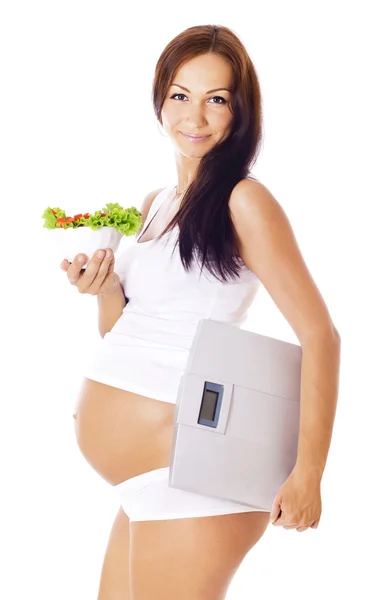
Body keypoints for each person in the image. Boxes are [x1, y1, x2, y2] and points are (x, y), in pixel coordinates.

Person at [61, 24, 340, 600]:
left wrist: (309, 471)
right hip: (146, 483)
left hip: (196, 475)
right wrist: (105, 288)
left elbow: (320, 334)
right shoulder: (154, 204)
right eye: (180, 96)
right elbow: (125, 331)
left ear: (240, 111)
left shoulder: (244, 200)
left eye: (216, 99)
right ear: (160, 100)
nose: (195, 116)